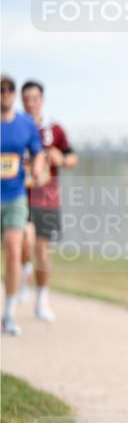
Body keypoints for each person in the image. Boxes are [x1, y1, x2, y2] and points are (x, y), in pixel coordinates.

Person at [16, 80, 78, 321]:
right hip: (20, 195)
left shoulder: (55, 130)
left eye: (35, 98)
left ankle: (41, 300)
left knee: (42, 250)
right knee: (21, 240)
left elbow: (72, 157)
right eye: (27, 98)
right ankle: (23, 271)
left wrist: (60, 159)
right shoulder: (14, 127)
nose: (31, 102)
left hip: (47, 199)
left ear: (42, 100)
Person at [1, 74, 45, 336]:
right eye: (1, 89)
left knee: (14, 250)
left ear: (14, 94)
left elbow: (37, 151)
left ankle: (8, 315)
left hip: (15, 196)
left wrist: (38, 168)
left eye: (9, 89)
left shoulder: (25, 124)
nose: (5, 93)